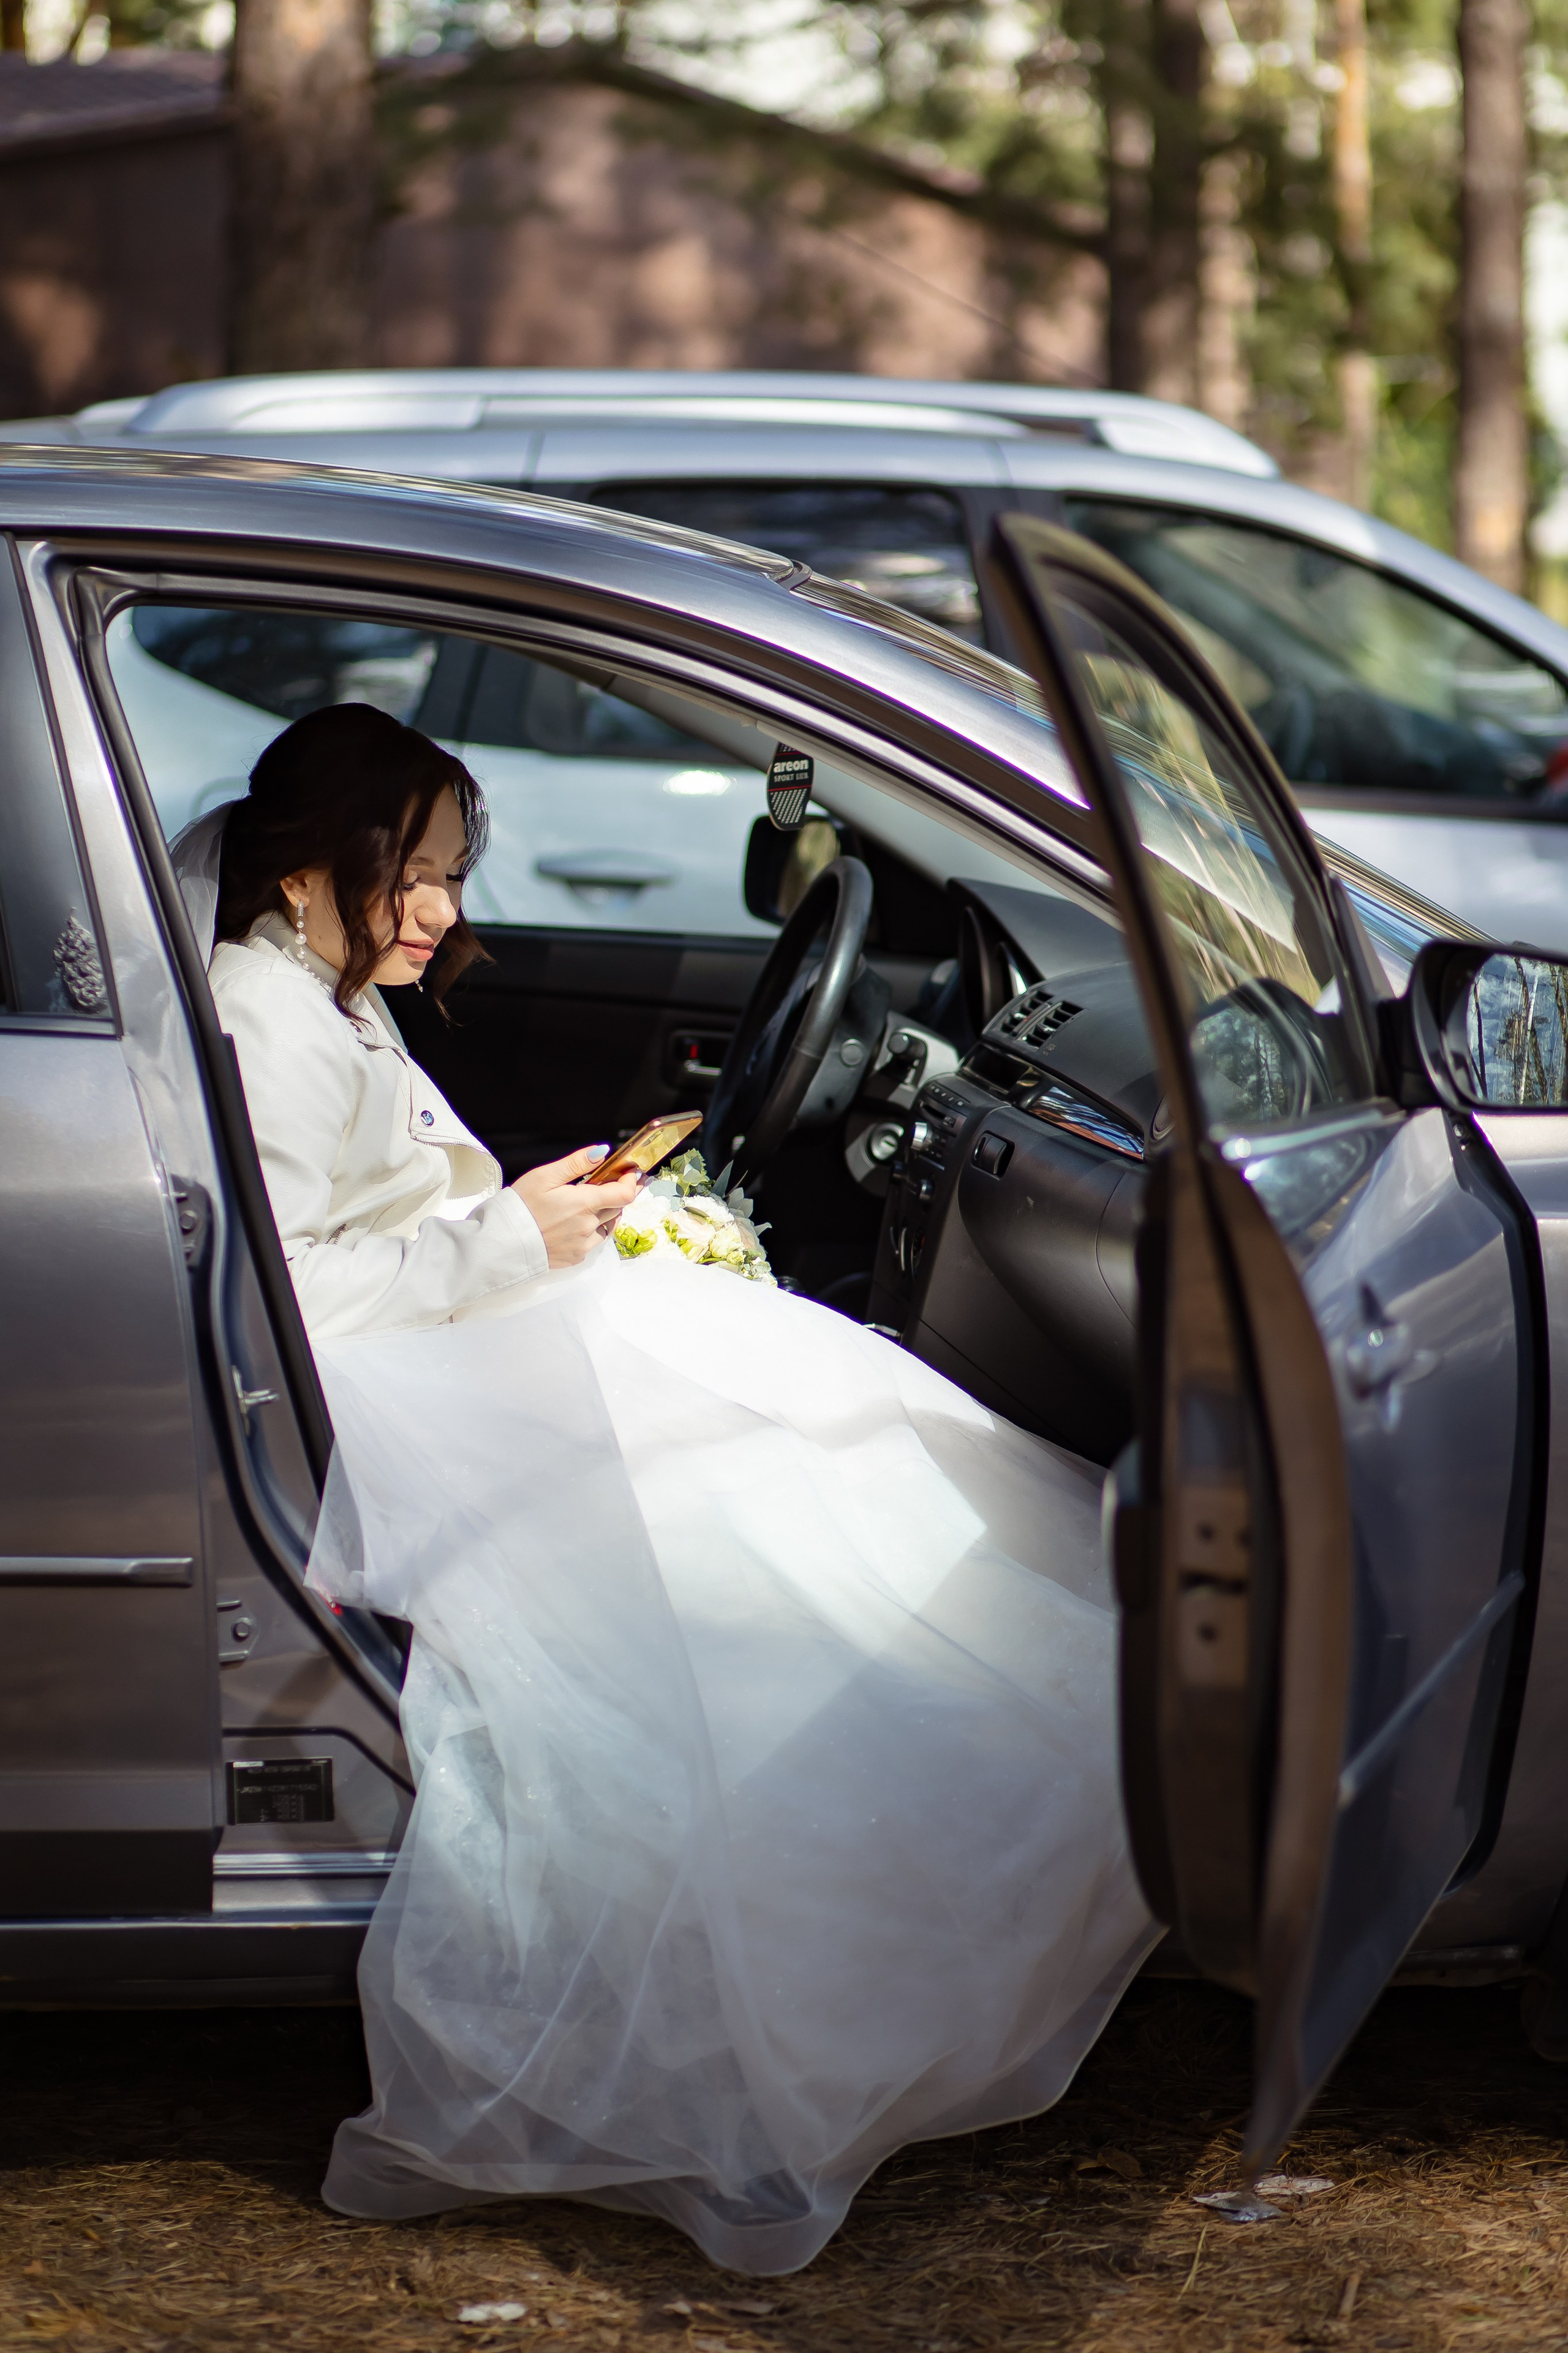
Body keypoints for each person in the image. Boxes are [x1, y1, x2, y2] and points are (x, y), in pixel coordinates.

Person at [188, 700, 1155, 2277]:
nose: (443, 910)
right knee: (764, 1449)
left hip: (456, 1324)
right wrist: (517, 1242)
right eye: (412, 874)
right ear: (304, 872)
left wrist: (542, 1218)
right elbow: (283, 1301)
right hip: (394, 1392)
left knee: (798, 1392)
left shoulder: (327, 994)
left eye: (450, 872)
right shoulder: (265, 1017)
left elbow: (390, 1228)